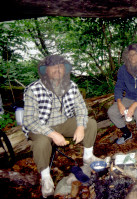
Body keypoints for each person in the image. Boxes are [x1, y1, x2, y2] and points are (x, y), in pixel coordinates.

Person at [22, 55, 100, 198]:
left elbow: (81, 109)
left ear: (65, 70)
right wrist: (52, 133)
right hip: (41, 127)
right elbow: (29, 121)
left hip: (64, 122)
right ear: (46, 70)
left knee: (90, 123)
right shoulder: (33, 90)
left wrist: (80, 126)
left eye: (61, 66)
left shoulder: (71, 86)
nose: (58, 70)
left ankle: (88, 157)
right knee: (41, 142)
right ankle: (46, 177)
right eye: (54, 67)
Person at [108, 43, 137, 147]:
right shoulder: (123, 69)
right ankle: (127, 133)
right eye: (130, 54)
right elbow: (119, 87)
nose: (132, 56)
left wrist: (133, 106)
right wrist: (119, 102)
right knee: (112, 112)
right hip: (128, 96)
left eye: (135, 54)